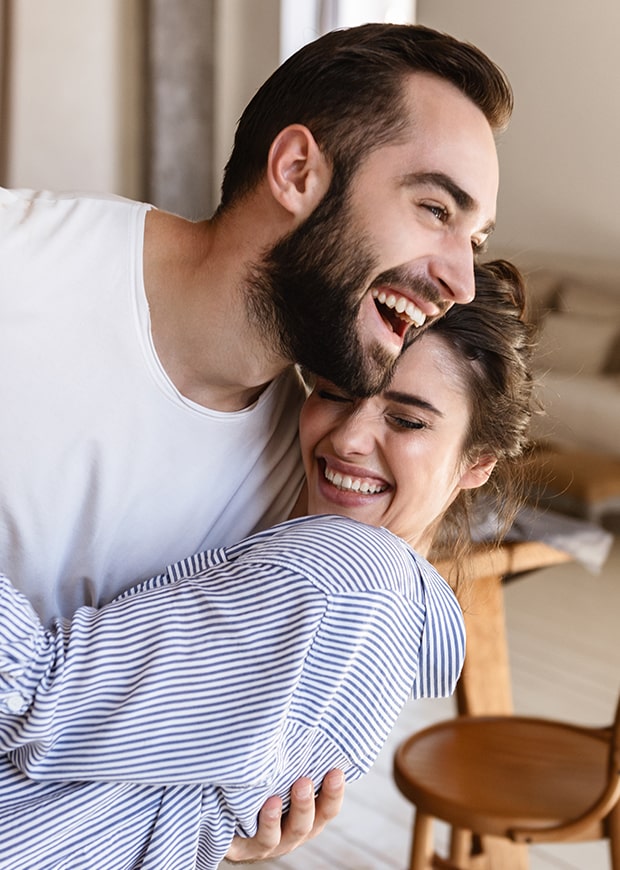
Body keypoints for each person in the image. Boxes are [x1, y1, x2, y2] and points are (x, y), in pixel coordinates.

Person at [0, 22, 512, 859]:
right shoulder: (19, 262)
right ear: (298, 171)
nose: (459, 280)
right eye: (434, 210)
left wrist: (209, 818)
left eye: (474, 240)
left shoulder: (312, 502)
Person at [0, 261, 534, 869]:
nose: (349, 439)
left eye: (407, 420)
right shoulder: (406, 626)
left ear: (477, 463)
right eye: (334, 393)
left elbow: (36, 693)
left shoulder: (349, 569)